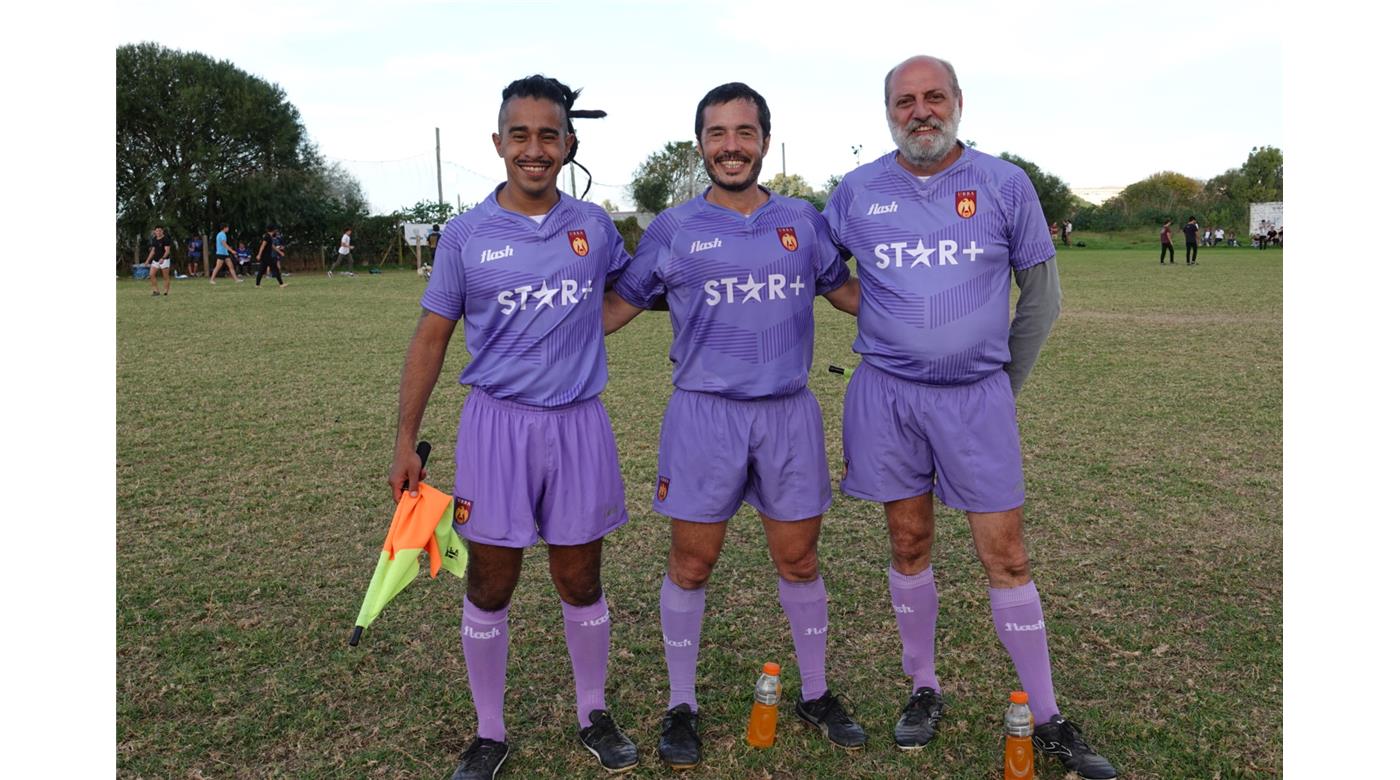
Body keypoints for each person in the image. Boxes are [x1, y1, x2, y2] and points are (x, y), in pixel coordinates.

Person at [822, 55, 1118, 779]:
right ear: (887, 109)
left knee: (1006, 555)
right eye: (904, 100)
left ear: (958, 102)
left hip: (976, 398)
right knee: (908, 540)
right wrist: (892, 315)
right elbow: (825, 273)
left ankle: (1047, 717)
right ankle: (923, 688)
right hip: (887, 396)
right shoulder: (856, 191)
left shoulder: (1003, 183)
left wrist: (999, 382)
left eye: (934, 98)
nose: (919, 111)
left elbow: (1042, 298)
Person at [602, 82, 866, 769]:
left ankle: (814, 692)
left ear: (764, 142)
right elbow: (613, 309)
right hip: (703, 415)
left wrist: (938, 311)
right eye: (717, 134)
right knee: (692, 563)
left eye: (744, 133)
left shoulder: (802, 221)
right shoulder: (672, 228)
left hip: (787, 413)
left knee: (799, 559)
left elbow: (847, 296)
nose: (731, 146)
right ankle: (681, 704)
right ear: (701, 147)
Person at [387, 74, 638, 780]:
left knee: (579, 579)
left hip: (579, 426)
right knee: (491, 583)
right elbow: (432, 336)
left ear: (569, 143)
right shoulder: (466, 234)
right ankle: (489, 730)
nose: (534, 149)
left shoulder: (594, 226)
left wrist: (586, 330)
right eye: (520, 135)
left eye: (548, 135)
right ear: (499, 143)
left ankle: (593, 711)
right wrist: (406, 440)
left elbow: (630, 292)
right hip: (496, 429)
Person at [145, 226, 173, 296]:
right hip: (155, 260)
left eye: (160, 231)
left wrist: (163, 258)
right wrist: (147, 260)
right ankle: (156, 291)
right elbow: (153, 251)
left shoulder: (166, 239)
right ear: (154, 231)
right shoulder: (154, 239)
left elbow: (167, 251)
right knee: (151, 274)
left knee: (165, 277)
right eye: (157, 231)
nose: (158, 232)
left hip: (164, 260)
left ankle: (166, 292)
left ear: (162, 231)